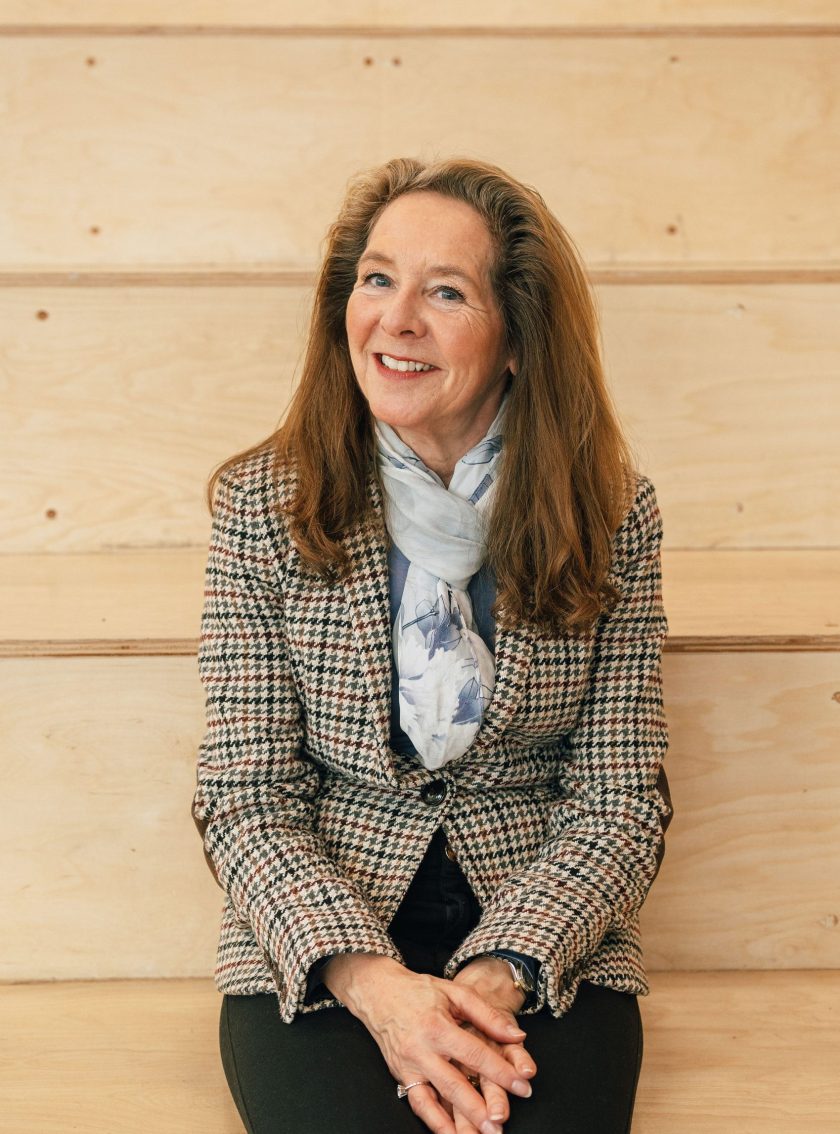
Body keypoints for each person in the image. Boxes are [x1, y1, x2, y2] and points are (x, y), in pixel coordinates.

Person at [192, 156, 672, 1134]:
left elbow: (622, 801)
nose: (395, 319)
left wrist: (497, 974)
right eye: (377, 279)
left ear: (516, 337)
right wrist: (378, 986)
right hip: (328, 929)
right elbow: (243, 797)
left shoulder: (613, 514)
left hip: (543, 928)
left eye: (444, 291)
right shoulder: (261, 508)